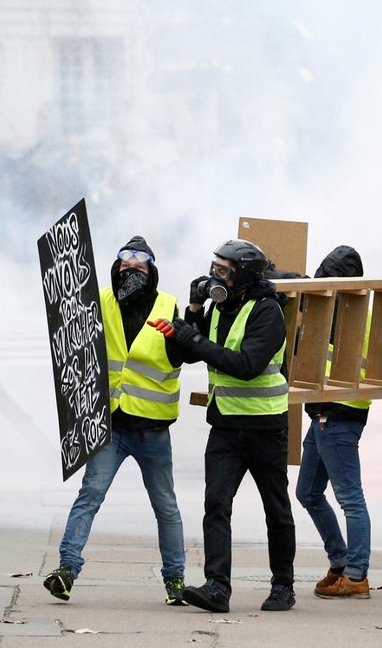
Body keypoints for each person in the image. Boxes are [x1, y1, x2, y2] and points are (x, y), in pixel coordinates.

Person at [43, 236, 188, 606]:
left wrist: (186, 335)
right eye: (125, 264)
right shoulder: (97, 301)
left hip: (153, 428)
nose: (131, 268)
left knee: (165, 506)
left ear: (152, 270)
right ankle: (66, 570)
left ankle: (175, 580)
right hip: (110, 424)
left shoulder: (168, 306)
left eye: (139, 264)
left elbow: (185, 353)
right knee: (90, 494)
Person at [157, 238, 296, 613]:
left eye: (223, 271)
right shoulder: (219, 307)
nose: (214, 276)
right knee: (216, 504)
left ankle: (283, 585)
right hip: (224, 425)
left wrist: (194, 338)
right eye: (213, 268)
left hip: (265, 427)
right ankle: (217, 588)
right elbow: (187, 352)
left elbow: (246, 366)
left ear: (244, 277)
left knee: (276, 509)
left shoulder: (268, 312)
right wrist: (193, 309)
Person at [295, 246, 382, 600]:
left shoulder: (351, 312)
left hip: (340, 416)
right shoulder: (336, 308)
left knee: (350, 498)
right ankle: (341, 561)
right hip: (322, 413)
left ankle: (357, 574)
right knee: (308, 493)